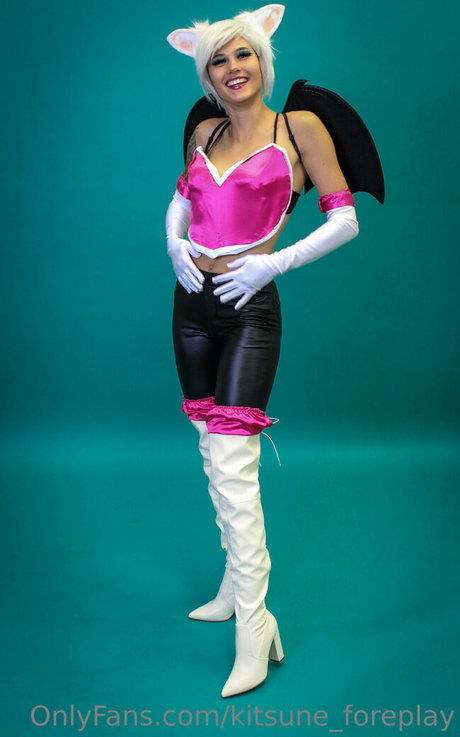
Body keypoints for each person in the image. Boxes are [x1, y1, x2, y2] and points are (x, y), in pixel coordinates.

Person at [166, 4, 360, 698]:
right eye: (218, 60)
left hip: (251, 307)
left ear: (263, 58)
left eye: (243, 53)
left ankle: (255, 622)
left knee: (233, 461)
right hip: (191, 307)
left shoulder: (298, 128)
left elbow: (345, 219)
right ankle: (232, 583)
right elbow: (183, 198)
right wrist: (172, 242)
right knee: (208, 450)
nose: (233, 68)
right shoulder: (205, 130)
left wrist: (273, 264)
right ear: (205, 73)